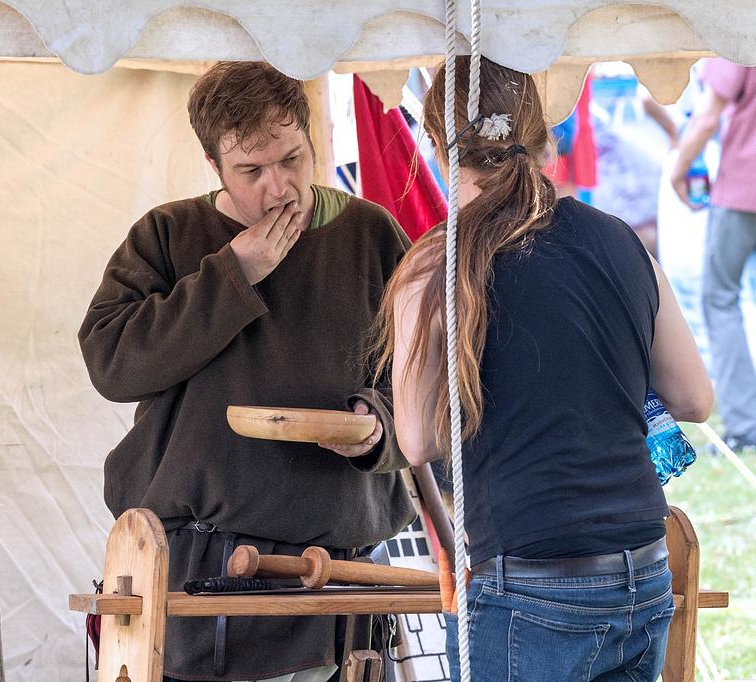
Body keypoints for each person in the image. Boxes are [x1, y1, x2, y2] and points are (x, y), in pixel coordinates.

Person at [372, 57, 713, 681]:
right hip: (641, 565)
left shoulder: (435, 267)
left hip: (529, 579)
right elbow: (694, 398)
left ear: (438, 150)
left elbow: (417, 439)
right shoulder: (622, 240)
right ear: (547, 141)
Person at [79, 61, 415, 681]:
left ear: (309, 139)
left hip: (339, 570)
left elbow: (427, 381)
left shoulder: (371, 236)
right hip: (200, 565)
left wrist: (378, 426)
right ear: (214, 165)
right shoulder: (169, 235)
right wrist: (234, 275)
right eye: (252, 171)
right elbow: (111, 363)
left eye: (291, 159)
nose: (279, 187)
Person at [670, 58, 756, 452]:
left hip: (744, 187)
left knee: (720, 298)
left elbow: (707, 117)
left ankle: (745, 425)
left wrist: (679, 168)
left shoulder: (738, 32)